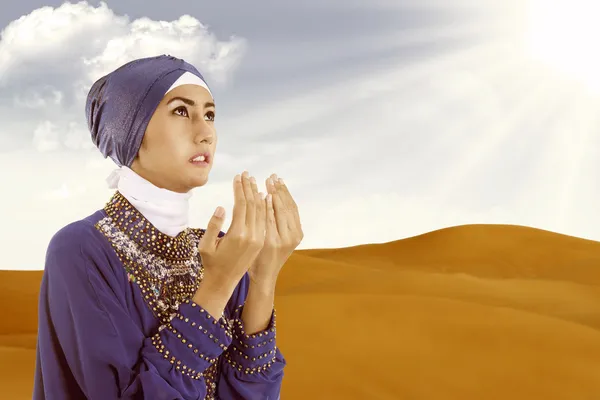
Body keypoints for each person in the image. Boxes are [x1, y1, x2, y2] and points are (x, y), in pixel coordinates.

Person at [33, 54, 303, 400]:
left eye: (210, 115)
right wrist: (216, 287)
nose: (206, 133)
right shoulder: (83, 249)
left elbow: (253, 394)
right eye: (180, 111)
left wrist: (262, 280)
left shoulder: (220, 251)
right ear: (129, 127)